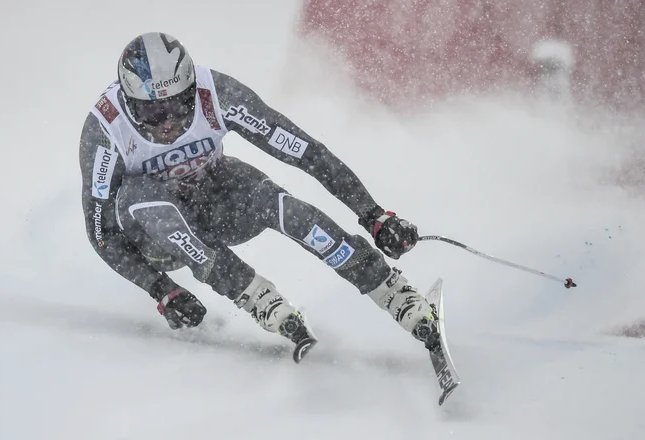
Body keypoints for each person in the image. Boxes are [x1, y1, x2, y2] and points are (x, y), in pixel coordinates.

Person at [79, 32, 439, 363]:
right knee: (142, 194)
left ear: (193, 90)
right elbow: (102, 234)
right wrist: (162, 289)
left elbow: (305, 151)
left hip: (212, 204)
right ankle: (253, 294)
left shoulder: (216, 94)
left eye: (178, 105)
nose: (168, 122)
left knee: (280, 204)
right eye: (153, 112)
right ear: (128, 102)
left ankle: (391, 291)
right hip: (156, 241)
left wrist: (372, 213)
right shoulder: (105, 130)